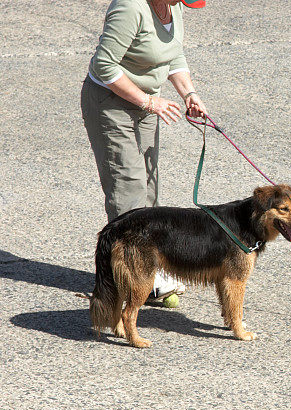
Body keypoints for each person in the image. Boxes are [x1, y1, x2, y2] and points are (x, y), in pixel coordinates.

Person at [81, 0, 208, 300]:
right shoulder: (130, 7)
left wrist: (189, 93)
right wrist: (149, 101)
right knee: (128, 190)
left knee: (150, 189)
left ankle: (145, 268)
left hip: (146, 104)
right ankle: (129, 280)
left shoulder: (172, 5)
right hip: (111, 105)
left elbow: (173, 55)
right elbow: (104, 65)